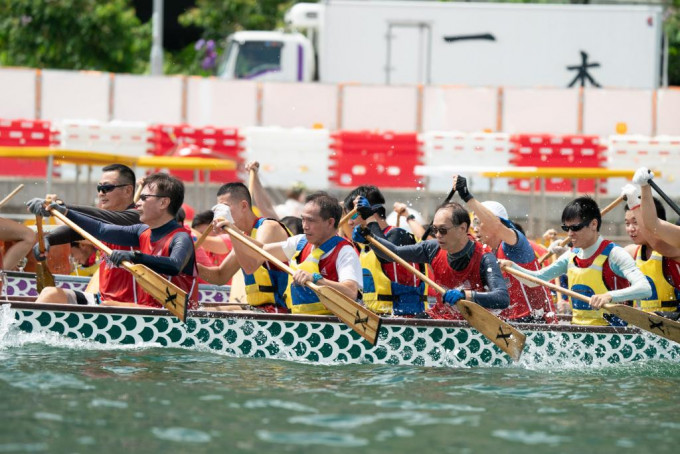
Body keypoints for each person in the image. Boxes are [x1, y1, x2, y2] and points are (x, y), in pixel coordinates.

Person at [35, 173, 198, 309]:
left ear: (164, 202)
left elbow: (174, 265)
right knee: (50, 293)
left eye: (144, 198)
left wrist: (133, 257)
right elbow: (100, 229)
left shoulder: (181, 237)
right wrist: (64, 212)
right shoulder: (142, 231)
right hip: (146, 310)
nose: (138, 203)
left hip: (176, 313)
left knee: (108, 306)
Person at [500, 196, 651, 326]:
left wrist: (609, 296)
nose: (570, 234)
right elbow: (536, 280)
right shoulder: (570, 256)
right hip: (578, 331)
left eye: (576, 228)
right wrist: (512, 266)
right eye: (567, 228)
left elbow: (645, 289)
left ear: (593, 224)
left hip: (614, 333)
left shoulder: (615, 254)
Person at [354, 202, 509, 320]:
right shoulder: (432, 248)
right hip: (439, 318)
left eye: (443, 230)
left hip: (473, 323)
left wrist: (464, 295)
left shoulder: (485, 257)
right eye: (435, 230)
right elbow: (392, 254)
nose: (438, 235)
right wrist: (371, 236)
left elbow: (502, 298)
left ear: (462, 228)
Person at [220, 191, 362, 315]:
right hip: (299, 321)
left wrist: (317, 279)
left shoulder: (344, 251)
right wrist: (233, 231)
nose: (304, 226)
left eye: (311, 221)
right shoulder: (299, 242)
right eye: (303, 219)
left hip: (329, 325)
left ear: (330, 223)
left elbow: (350, 291)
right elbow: (259, 251)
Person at [27, 163, 141, 305]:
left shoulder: (138, 217)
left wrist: (62, 207)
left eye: (107, 188)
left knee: (106, 305)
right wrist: (49, 239)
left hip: (130, 305)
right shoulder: (104, 219)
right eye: (99, 188)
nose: (101, 193)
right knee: (50, 294)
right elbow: (75, 231)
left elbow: (103, 220)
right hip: (102, 299)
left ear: (128, 190)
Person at [454, 175, 555, 322]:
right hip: (507, 324)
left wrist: (467, 196)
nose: (474, 229)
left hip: (537, 321)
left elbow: (496, 226)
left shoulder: (514, 245)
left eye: (478, 221)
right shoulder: (485, 253)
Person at [199, 182, 291, 313]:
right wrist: (193, 267)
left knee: (220, 316)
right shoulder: (242, 235)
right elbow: (220, 276)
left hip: (282, 308)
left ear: (243, 206)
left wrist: (232, 230)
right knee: (201, 311)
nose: (222, 213)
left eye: (225, 208)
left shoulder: (268, 227)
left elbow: (251, 265)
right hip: (259, 308)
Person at [344, 186, 426, 316]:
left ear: (372, 211)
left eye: (353, 215)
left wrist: (369, 218)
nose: (349, 222)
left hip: (404, 319)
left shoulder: (398, 235)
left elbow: (386, 255)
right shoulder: (365, 243)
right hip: (377, 318)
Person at [621, 179, 680, 315]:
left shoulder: (671, 248)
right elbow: (602, 254)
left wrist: (635, 204)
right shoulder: (633, 252)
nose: (631, 229)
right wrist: (572, 251)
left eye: (635, 222)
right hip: (648, 321)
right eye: (627, 223)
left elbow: (656, 240)